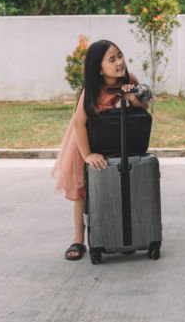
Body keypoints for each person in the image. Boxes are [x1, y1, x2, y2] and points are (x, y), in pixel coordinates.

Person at [52, 40, 151, 261]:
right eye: (112, 59)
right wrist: (87, 155)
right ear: (99, 68)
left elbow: (141, 110)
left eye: (120, 55)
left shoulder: (130, 82)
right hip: (85, 141)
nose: (120, 62)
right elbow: (79, 124)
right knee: (81, 191)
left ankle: (122, 232)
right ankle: (78, 239)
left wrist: (131, 97)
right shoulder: (92, 90)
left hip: (114, 140)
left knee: (120, 183)